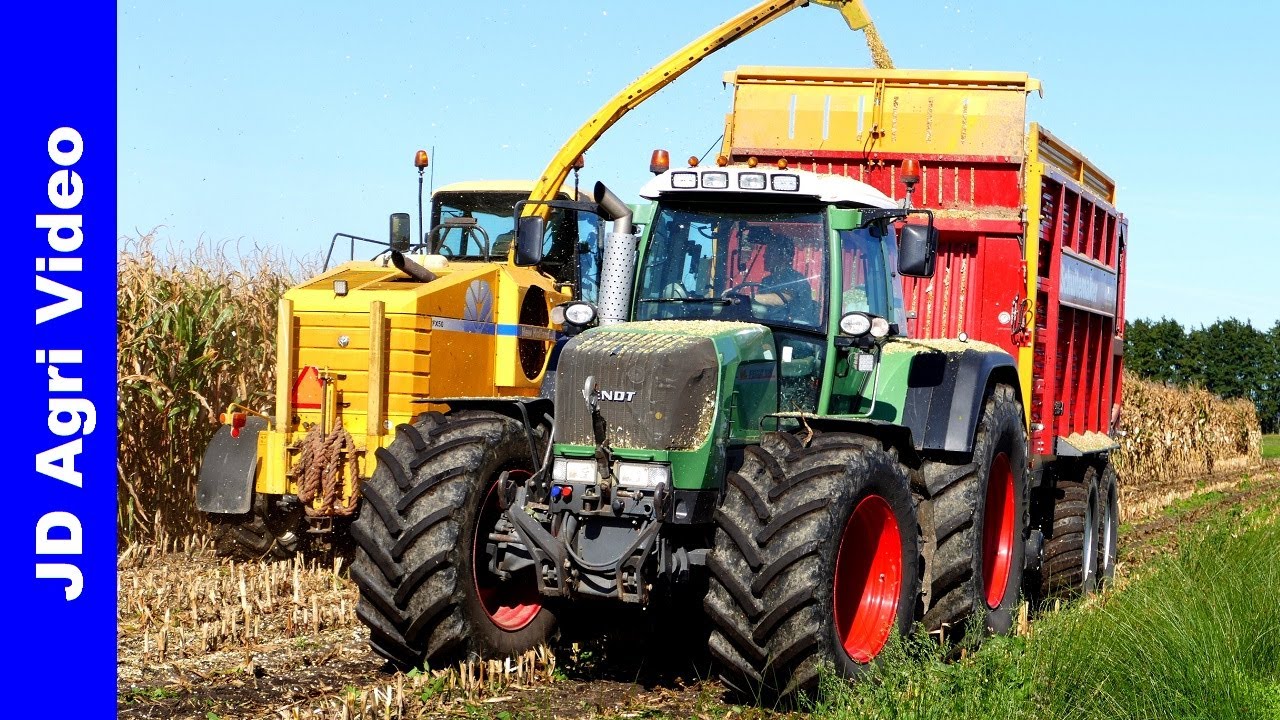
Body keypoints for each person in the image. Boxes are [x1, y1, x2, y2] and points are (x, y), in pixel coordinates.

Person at [738, 228, 817, 325]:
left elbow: (782, 298)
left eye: (770, 252)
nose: (764, 256)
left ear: (783, 256)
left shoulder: (796, 280)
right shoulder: (766, 281)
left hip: (795, 330)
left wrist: (746, 298)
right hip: (771, 326)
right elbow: (761, 307)